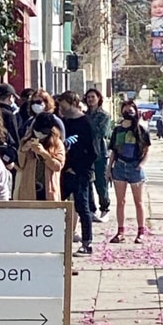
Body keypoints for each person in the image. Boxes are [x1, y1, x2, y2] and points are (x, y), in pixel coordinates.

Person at [56, 91, 98, 256]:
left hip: (80, 172)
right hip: (64, 170)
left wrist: (79, 168)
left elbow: (93, 152)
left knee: (83, 207)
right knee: (56, 202)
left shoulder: (86, 122)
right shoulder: (64, 122)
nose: (61, 107)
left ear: (72, 102)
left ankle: (87, 243)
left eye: (63, 104)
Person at [107, 100, 151, 244]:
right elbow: (113, 150)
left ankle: (141, 231)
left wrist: (141, 164)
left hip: (134, 167)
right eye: (125, 110)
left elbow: (146, 149)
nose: (128, 113)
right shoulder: (117, 130)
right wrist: (109, 168)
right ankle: (120, 231)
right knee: (121, 201)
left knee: (138, 202)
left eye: (130, 110)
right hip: (120, 166)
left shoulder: (141, 130)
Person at [13, 112, 66, 200]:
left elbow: (58, 166)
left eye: (43, 132)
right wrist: (23, 150)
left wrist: (44, 153)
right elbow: (20, 165)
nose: (39, 134)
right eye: (37, 131)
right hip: (29, 191)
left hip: (48, 191)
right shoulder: (26, 140)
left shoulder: (57, 144)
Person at [84, 88, 114, 222]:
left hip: (99, 153)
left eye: (93, 97)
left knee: (101, 182)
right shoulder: (84, 115)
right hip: (86, 153)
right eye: (88, 97)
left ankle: (104, 207)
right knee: (87, 182)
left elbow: (101, 132)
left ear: (98, 98)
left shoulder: (104, 116)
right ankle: (91, 209)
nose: (90, 99)